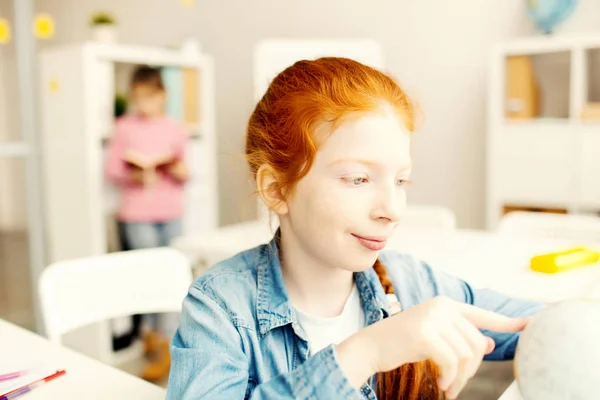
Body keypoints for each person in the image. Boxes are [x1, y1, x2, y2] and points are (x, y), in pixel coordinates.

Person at [166, 57, 541, 399]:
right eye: (358, 179)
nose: (391, 211)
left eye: (401, 182)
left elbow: (541, 325)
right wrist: (365, 352)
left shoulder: (412, 283)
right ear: (277, 190)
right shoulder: (219, 308)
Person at [105, 65, 189, 382]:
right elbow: (112, 169)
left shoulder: (174, 127)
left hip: (171, 211)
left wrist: (178, 171)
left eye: (149, 98)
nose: (143, 105)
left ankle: (167, 341)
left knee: (171, 276)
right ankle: (153, 335)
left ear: (162, 95)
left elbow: (185, 172)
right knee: (148, 276)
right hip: (136, 212)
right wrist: (135, 173)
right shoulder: (124, 126)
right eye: (137, 98)